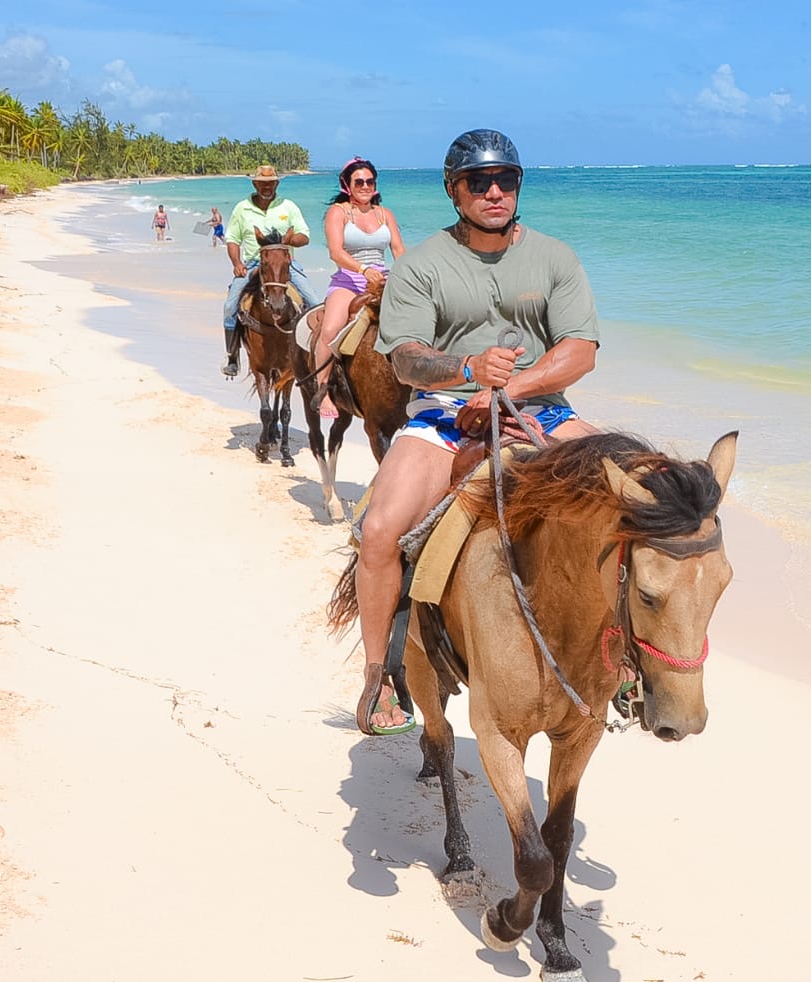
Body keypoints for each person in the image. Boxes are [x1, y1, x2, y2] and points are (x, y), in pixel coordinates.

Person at [353, 128, 600, 734]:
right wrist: (466, 369)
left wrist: (508, 389)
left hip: (540, 412)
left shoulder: (555, 257)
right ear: (453, 191)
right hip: (442, 415)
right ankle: (377, 676)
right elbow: (405, 357)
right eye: (479, 182)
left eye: (506, 180)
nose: (495, 191)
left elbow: (580, 351)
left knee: (631, 499)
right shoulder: (422, 265)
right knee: (380, 528)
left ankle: (619, 658)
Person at [312, 157, 406, 418]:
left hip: (383, 280)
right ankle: (322, 391)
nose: (365, 186)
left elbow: (398, 249)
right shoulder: (339, 212)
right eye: (359, 182)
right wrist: (363, 270)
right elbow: (336, 251)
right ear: (347, 185)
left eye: (370, 181)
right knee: (330, 329)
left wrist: (409, 272)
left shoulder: (385, 214)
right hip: (349, 281)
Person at [219, 165, 321, 378]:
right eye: (263, 183)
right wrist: (236, 262)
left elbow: (304, 236)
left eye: (271, 182)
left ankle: (314, 355)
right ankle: (232, 356)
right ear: (255, 184)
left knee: (314, 302)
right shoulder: (242, 208)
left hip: (284, 264)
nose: (267, 186)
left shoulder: (288, 207)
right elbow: (232, 239)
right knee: (230, 305)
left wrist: (288, 241)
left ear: (277, 184)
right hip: (253, 264)